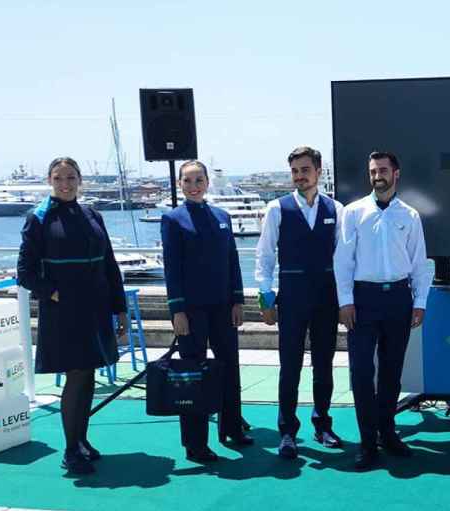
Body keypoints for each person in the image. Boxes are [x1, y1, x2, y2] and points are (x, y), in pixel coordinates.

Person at [17, 157, 128, 475]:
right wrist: (55, 294)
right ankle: (70, 449)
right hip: (64, 312)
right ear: (49, 181)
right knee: (77, 375)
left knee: (89, 373)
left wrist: (119, 307)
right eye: (58, 178)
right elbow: (24, 272)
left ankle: (82, 440)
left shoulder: (92, 214)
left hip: (96, 307)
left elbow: (109, 264)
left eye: (70, 177)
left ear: (80, 179)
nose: (65, 183)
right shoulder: (38, 217)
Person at [335, 151, 431, 470]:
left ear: (396, 174)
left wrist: (420, 302)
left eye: (383, 170)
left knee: (391, 373)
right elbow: (343, 261)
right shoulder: (352, 213)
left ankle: (388, 433)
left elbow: (419, 263)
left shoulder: (410, 216)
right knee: (362, 373)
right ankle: (367, 442)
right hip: (363, 300)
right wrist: (345, 300)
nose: (378, 175)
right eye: (373, 170)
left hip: (398, 300)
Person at [255, 147, 344, 459]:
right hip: (291, 296)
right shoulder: (277, 209)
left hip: (326, 296)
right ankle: (288, 432)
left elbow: (344, 260)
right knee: (289, 366)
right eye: (295, 171)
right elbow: (264, 257)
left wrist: (346, 300)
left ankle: (322, 425)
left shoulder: (337, 209)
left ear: (318, 171)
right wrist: (265, 298)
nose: (299, 176)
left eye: (305, 169)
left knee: (324, 365)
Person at [161, 160, 248, 464]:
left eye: (199, 180)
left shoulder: (222, 216)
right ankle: (195, 443)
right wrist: (177, 311)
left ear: (208, 182)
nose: (194, 185)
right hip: (192, 311)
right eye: (188, 181)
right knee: (192, 375)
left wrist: (238, 300)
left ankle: (232, 426)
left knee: (229, 368)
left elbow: (232, 262)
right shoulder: (173, 219)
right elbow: (172, 269)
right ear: (180, 185)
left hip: (223, 307)